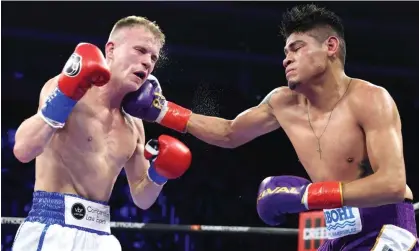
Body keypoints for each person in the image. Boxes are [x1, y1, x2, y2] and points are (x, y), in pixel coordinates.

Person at [121, 4, 418, 251]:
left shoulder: (369, 98)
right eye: (286, 51)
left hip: (385, 224)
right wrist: (162, 112)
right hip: (337, 229)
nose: (286, 58)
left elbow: (392, 184)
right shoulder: (282, 103)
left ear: (331, 46)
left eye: (297, 48)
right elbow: (229, 132)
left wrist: (307, 196)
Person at [12, 16, 192, 251]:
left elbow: (142, 198)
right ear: (111, 50)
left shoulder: (134, 124)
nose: (147, 62)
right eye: (140, 50)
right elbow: (23, 150)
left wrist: (160, 174)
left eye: (153, 57)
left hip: (101, 236)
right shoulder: (69, 90)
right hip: (53, 228)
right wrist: (65, 96)